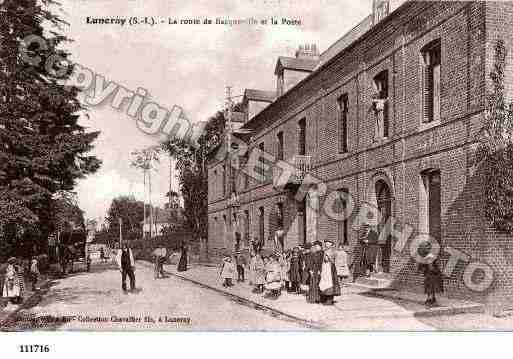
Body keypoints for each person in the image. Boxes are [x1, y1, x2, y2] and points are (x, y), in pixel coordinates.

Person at [319, 241, 341, 305]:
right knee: (324, 282)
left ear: (331, 244)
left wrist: (328, 257)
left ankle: (330, 299)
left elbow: (334, 261)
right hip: (324, 269)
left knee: (330, 283)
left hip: (330, 269)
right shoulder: (324, 251)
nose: (326, 244)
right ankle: (324, 297)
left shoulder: (334, 252)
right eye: (326, 243)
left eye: (328, 243)